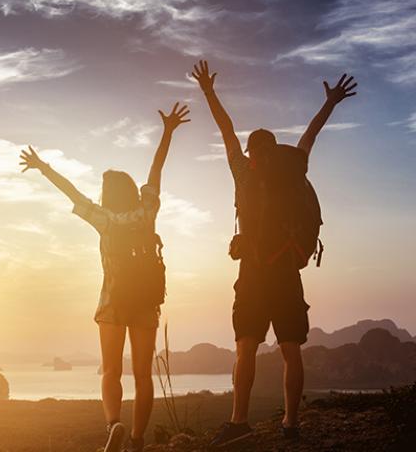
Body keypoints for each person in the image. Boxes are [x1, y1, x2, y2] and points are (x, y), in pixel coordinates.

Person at [190, 60, 357, 448]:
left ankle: (238, 421)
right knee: (290, 350)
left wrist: (209, 92)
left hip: (252, 271)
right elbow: (310, 136)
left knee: (246, 345)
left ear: (250, 152)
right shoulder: (293, 166)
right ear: (274, 148)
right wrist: (330, 102)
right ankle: (291, 423)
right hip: (285, 268)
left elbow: (225, 129)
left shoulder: (243, 172)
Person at [19, 102, 191, 452]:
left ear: (107, 194)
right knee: (143, 376)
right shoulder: (146, 212)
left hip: (112, 300)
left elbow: (69, 190)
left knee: (110, 371)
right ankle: (138, 442)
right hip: (145, 300)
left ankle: (114, 425)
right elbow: (156, 171)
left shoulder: (103, 218)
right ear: (131, 190)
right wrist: (168, 132)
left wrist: (41, 167)